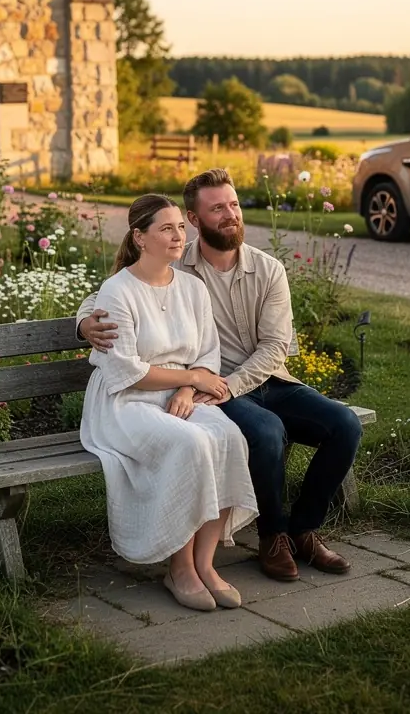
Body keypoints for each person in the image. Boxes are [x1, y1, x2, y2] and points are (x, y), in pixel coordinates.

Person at [78, 169, 363, 583]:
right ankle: (272, 536)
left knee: (345, 424)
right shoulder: (177, 261)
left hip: (256, 381)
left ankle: (303, 530)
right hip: (210, 386)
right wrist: (84, 323)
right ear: (195, 219)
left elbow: (274, 347)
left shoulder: (268, 270)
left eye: (234, 205)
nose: (230, 214)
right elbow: (113, 290)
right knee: (266, 433)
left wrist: (222, 385)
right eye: (217, 209)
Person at [79, 192, 258, 612]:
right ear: (140, 237)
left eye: (180, 227)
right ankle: (179, 569)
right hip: (126, 402)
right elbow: (127, 371)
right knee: (191, 444)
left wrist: (187, 389)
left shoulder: (192, 288)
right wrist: (190, 378)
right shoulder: (117, 291)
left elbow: (207, 353)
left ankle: (205, 564)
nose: (179, 235)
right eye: (166, 228)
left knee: (229, 437)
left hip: (179, 396)